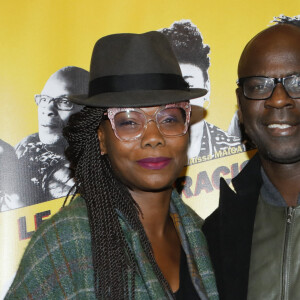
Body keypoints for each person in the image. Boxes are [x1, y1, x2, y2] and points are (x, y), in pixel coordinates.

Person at [6, 31, 218, 299]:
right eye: (129, 121)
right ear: (102, 139)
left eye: (169, 119)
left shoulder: (206, 237)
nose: (153, 138)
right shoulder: (66, 244)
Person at [203, 24, 300, 300]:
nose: (279, 100)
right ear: (241, 107)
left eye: (298, 82)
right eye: (259, 86)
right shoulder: (214, 237)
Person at [160, 20, 242, 161]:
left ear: (207, 87)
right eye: (170, 87)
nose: (179, 98)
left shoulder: (233, 151)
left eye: (189, 85)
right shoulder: (145, 154)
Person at [15, 66, 88, 204]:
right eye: (44, 99)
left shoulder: (112, 159)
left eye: (64, 102)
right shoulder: (25, 148)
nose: (48, 110)